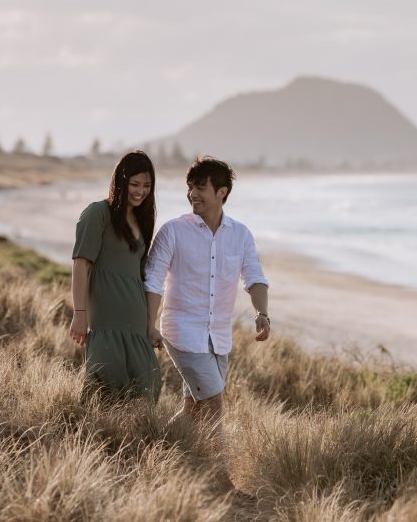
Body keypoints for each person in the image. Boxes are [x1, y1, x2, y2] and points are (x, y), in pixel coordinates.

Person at [144, 156, 270, 445]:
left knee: (194, 410)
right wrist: (149, 325)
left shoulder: (240, 234)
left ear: (221, 192)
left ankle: (155, 450)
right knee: (214, 404)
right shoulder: (173, 231)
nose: (192, 194)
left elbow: (254, 277)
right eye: (190, 187)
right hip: (182, 332)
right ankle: (221, 481)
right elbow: (153, 280)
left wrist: (262, 313)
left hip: (219, 338)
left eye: (200, 187)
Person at [69, 150, 161, 400]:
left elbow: (142, 275)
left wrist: (150, 325)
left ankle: (134, 437)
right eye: (134, 184)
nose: (140, 191)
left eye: (147, 185)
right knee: (103, 386)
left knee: (147, 385)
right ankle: (95, 436)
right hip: (106, 322)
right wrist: (79, 314)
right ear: (120, 182)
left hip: (136, 322)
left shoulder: (142, 221)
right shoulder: (98, 213)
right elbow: (81, 264)